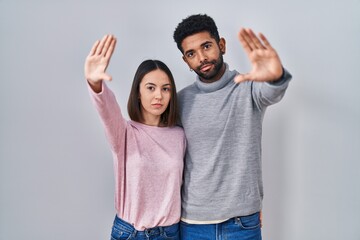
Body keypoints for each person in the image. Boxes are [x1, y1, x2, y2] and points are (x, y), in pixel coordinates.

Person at [173, 14, 292, 239]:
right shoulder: (180, 102)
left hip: (242, 223)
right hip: (193, 224)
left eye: (206, 46)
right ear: (186, 61)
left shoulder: (248, 89)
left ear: (222, 45)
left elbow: (272, 91)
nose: (201, 58)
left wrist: (276, 76)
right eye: (191, 54)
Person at [84, 34, 186, 240]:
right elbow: (107, 108)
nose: (159, 95)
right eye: (151, 88)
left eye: (165, 89)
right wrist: (95, 83)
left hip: (170, 234)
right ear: (138, 92)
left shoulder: (180, 136)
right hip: (130, 233)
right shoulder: (124, 133)